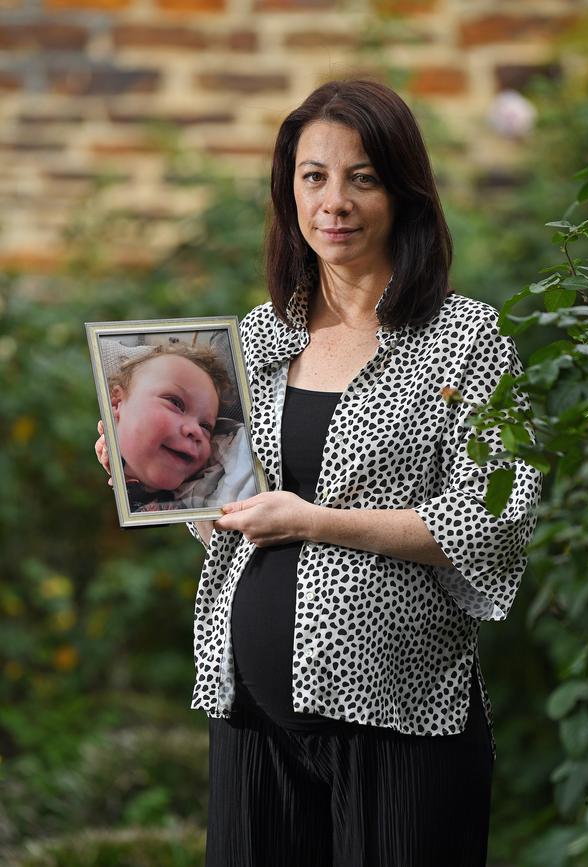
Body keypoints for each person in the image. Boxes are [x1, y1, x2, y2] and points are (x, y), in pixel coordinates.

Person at [97, 79, 542, 866]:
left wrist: (314, 521)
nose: (334, 201)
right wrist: (148, 480)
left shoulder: (466, 338)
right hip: (251, 721)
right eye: (313, 177)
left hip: (399, 718)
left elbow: (494, 518)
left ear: (403, 191)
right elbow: (232, 522)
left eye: (361, 177)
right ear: (289, 190)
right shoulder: (258, 338)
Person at [99, 342, 256, 512]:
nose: (195, 430)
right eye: (175, 403)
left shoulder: (230, 449)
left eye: (205, 426)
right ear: (116, 403)